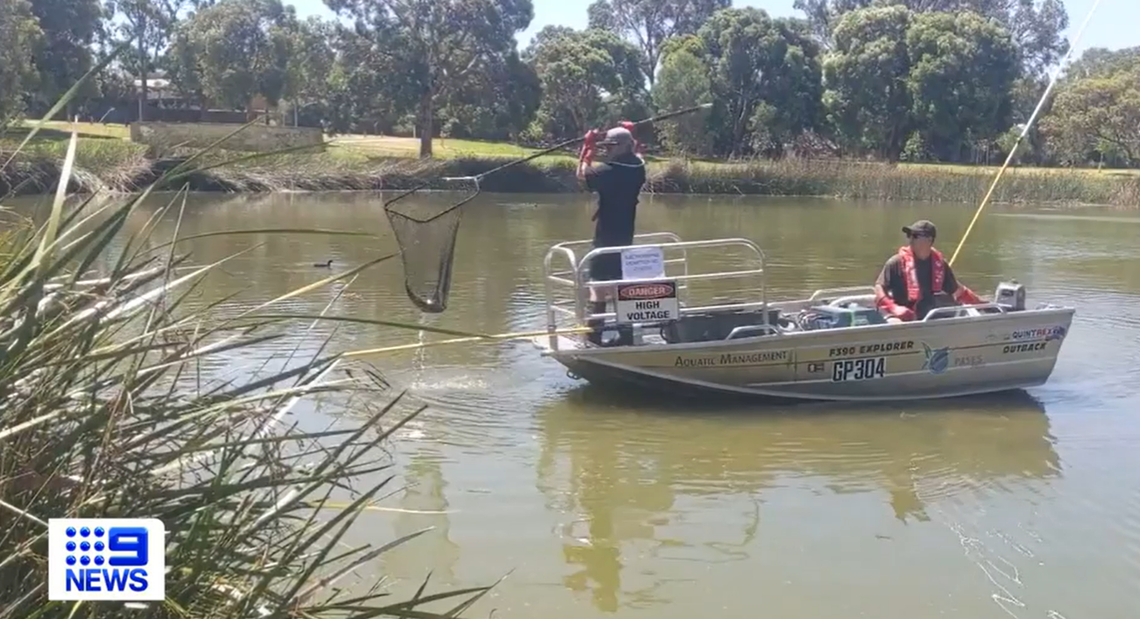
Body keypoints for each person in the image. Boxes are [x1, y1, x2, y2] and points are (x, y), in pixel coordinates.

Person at [576, 124, 647, 345]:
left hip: (605, 237)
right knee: (618, 285)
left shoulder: (609, 171)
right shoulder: (638, 168)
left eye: (609, 147)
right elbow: (638, 155)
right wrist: (631, 138)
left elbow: (582, 176)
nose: (606, 150)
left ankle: (594, 335)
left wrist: (587, 149)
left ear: (620, 147)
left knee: (598, 286)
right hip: (625, 237)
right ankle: (625, 335)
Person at [874, 220, 984, 322]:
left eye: (915, 236)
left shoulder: (940, 264)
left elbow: (958, 290)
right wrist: (894, 308)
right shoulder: (896, 262)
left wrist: (982, 304)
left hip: (928, 319)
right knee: (895, 323)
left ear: (929, 240)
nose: (910, 239)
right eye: (909, 235)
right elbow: (879, 287)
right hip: (900, 318)